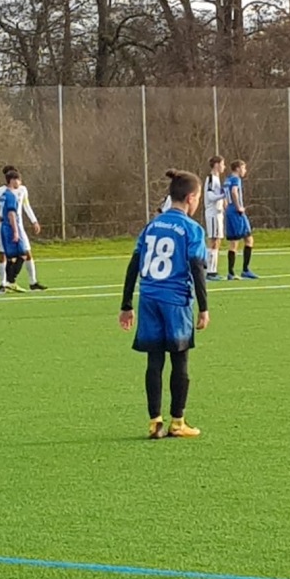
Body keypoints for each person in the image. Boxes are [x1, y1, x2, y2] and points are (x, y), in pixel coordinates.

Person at [119, 169, 210, 439]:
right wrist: (204, 307)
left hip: (148, 299)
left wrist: (126, 304)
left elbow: (134, 264)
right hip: (175, 301)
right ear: (191, 197)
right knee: (180, 360)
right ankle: (177, 422)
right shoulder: (192, 229)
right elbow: (197, 267)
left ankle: (154, 423)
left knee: (154, 360)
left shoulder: (152, 226)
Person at [0, 165, 47, 293]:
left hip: (19, 227)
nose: (18, 181)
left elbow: (26, 206)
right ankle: (3, 284)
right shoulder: (0, 191)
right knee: (2, 254)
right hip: (4, 227)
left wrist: (34, 221)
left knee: (27, 252)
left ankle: (32, 282)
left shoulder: (22, 190)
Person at [223, 160, 258, 280]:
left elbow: (224, 195)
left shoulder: (227, 179)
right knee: (249, 239)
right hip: (236, 213)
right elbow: (234, 192)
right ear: (238, 168)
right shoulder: (235, 179)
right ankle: (245, 270)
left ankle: (231, 272)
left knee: (233, 242)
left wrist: (226, 207)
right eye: (243, 168)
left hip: (229, 211)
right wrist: (238, 207)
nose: (245, 171)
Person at [0, 170, 28, 292]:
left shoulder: (4, 194)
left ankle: (9, 282)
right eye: (18, 180)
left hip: (4, 227)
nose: (19, 183)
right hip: (10, 227)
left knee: (11, 257)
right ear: (12, 180)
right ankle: (11, 281)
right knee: (23, 254)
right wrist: (15, 231)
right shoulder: (11, 196)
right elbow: (11, 214)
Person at [203, 155, 226, 281]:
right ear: (216, 165)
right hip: (212, 213)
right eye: (222, 164)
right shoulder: (211, 178)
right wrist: (223, 195)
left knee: (217, 240)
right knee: (213, 240)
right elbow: (210, 196)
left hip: (218, 213)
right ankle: (210, 271)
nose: (224, 167)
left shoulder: (217, 179)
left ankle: (213, 270)